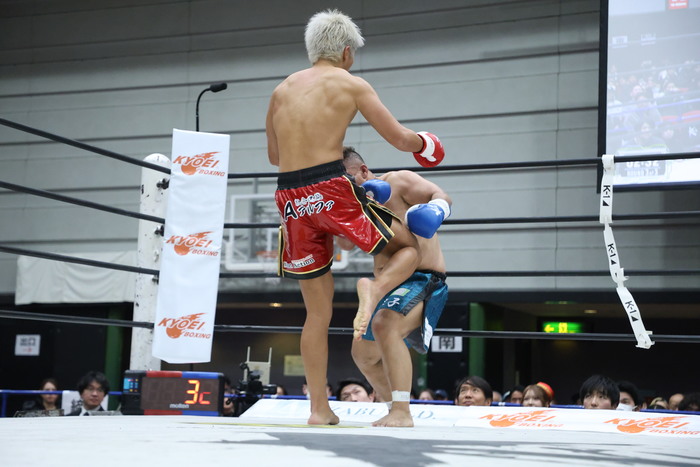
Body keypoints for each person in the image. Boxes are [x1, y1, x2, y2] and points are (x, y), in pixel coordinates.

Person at [266, 9, 445, 425]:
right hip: (329, 188)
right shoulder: (351, 83)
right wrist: (427, 144)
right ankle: (375, 286)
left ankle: (319, 410)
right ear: (346, 52)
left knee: (316, 314)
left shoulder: (281, 90)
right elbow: (400, 139)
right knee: (407, 247)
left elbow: (275, 156)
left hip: (290, 199)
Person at [339, 147, 450, 427]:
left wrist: (435, 210)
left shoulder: (398, 181)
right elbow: (346, 244)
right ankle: (394, 409)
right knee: (363, 354)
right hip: (387, 283)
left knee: (385, 324)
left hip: (421, 277)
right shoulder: (353, 203)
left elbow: (441, 195)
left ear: (364, 171)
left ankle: (402, 411)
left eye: (349, 180)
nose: (346, 187)